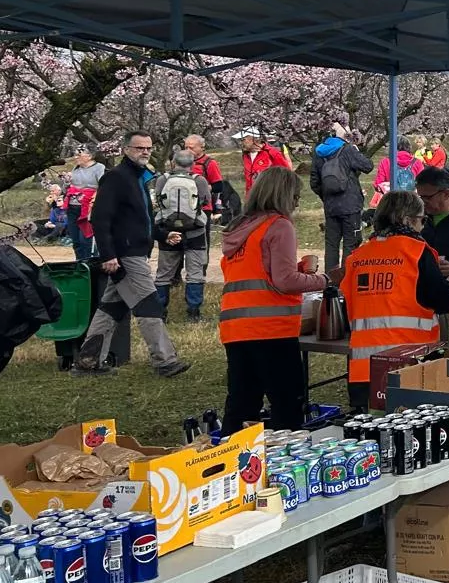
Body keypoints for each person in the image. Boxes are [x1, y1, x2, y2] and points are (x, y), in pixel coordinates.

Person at [218, 167, 330, 433]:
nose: (297, 202)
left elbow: (259, 275)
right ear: (283, 195)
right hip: (272, 329)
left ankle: (231, 460)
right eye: (295, 196)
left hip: (236, 328)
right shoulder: (279, 225)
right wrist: (324, 280)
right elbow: (284, 282)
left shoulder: (241, 229)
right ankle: (288, 464)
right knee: (287, 403)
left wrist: (298, 271)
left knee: (242, 403)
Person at [74, 131, 189, 378]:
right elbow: (100, 219)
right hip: (125, 255)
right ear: (125, 149)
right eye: (139, 148)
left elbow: (139, 222)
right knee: (149, 304)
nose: (145, 152)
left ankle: (87, 362)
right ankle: (165, 361)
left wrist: (161, 235)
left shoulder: (137, 178)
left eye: (148, 148)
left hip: (131, 252)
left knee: (110, 310)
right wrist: (108, 255)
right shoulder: (116, 178)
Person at [341, 191, 449, 410]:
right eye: (422, 220)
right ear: (407, 220)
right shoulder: (415, 251)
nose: (423, 226)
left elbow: (348, 302)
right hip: (410, 364)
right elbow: (442, 301)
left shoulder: (357, 256)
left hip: (363, 369)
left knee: (368, 435)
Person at [152, 148, 212, 321]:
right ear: (193, 164)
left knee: (164, 273)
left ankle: (161, 311)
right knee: (195, 272)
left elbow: (158, 200)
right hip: (195, 231)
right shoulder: (199, 180)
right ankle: (193, 312)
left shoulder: (162, 179)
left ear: (173, 162)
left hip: (168, 230)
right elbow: (206, 200)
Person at [310, 122, 373, 275]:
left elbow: (314, 182)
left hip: (331, 206)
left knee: (331, 244)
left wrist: (326, 196)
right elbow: (368, 166)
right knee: (350, 243)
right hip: (351, 204)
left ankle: (331, 279)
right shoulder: (347, 150)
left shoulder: (318, 153)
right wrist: (356, 150)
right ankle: (346, 278)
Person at [63, 144, 104, 264]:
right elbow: (68, 188)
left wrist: (94, 203)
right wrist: (66, 182)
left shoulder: (99, 168)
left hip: (88, 208)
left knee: (85, 239)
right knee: (75, 240)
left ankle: (90, 265)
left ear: (89, 156)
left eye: (79, 154)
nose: (76, 157)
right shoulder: (76, 168)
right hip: (72, 207)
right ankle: (79, 264)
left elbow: (102, 187)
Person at [232, 127, 290, 194]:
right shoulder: (245, 155)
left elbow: (287, 173)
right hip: (252, 197)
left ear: (253, 139)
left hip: (269, 196)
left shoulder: (271, 153)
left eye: (243, 139)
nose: (240, 142)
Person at [369, 136, 424, 207]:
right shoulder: (417, 162)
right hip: (412, 203)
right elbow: (423, 184)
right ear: (408, 147)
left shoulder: (386, 161)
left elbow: (378, 184)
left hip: (391, 203)